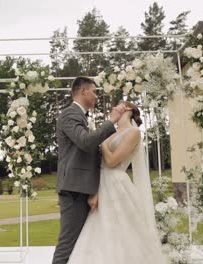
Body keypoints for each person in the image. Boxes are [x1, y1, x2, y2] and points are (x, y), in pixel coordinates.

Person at [67, 100, 168, 264]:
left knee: (122, 228)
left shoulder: (134, 132)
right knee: (100, 228)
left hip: (117, 183)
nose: (113, 108)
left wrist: (103, 144)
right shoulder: (111, 131)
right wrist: (93, 191)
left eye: (117, 105)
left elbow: (112, 161)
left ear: (127, 108)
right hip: (101, 183)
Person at [52, 77, 126, 264]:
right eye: (94, 91)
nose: (96, 96)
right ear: (83, 91)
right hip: (74, 189)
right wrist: (112, 121)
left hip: (82, 188)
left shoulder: (81, 116)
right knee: (67, 245)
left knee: (79, 245)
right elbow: (85, 142)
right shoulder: (70, 114)